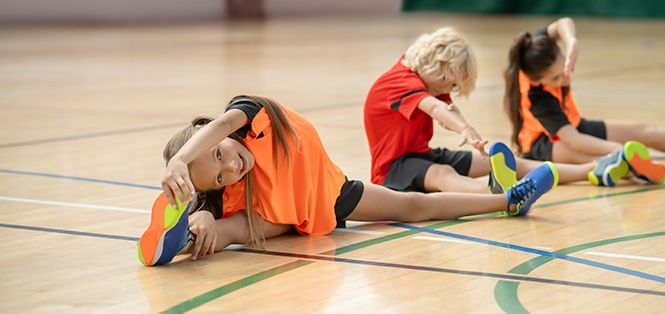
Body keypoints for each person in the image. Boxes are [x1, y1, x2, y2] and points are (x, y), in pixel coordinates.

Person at [137, 95, 559, 266]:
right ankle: (186, 236)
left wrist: (181, 159)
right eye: (221, 176)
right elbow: (239, 211)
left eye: (219, 155)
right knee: (228, 227)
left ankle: (508, 201)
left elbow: (224, 123)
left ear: (218, 134)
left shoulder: (250, 116)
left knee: (415, 205)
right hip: (284, 217)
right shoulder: (237, 188)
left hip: (329, 194)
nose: (233, 168)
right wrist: (209, 218)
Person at [363, 27, 613, 195]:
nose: (450, 89)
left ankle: (594, 170)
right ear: (440, 68)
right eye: (451, 83)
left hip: (421, 156)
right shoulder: (399, 81)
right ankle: (499, 195)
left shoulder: (427, 80)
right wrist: (465, 128)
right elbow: (436, 108)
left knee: (505, 161)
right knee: (443, 173)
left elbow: (449, 108)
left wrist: (473, 138)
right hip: (392, 170)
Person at [503, 16, 665, 186]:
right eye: (556, 78)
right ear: (538, 80)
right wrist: (617, 149)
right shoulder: (538, 98)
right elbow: (574, 140)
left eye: (564, 66)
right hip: (542, 145)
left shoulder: (534, 47)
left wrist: (571, 41)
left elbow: (564, 23)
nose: (566, 76)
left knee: (647, 132)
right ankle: (624, 166)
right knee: (604, 158)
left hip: (572, 125)